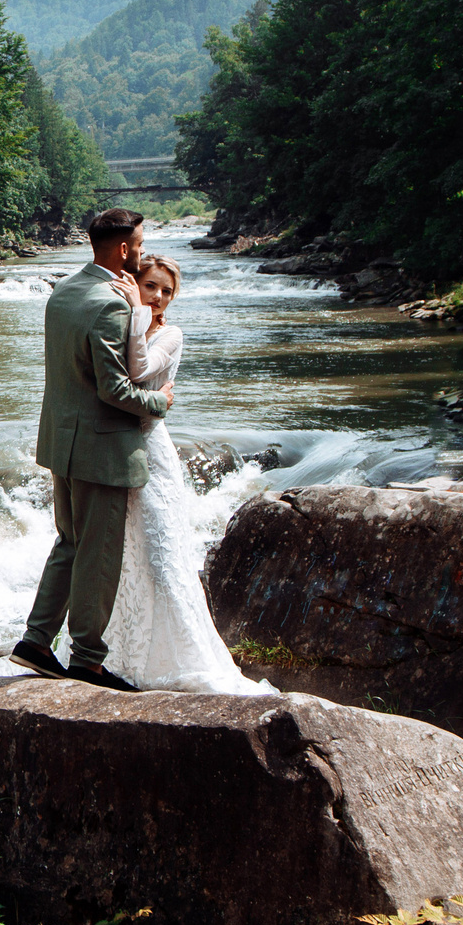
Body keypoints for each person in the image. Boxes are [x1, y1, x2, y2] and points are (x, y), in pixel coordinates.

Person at [7, 208, 171, 691]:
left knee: (70, 543)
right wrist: (157, 402)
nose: (140, 252)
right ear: (123, 249)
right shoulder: (110, 304)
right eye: (138, 245)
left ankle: (36, 643)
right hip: (101, 449)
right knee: (98, 555)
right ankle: (88, 662)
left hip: (62, 441)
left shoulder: (64, 290)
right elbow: (113, 389)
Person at [104, 254, 276, 694]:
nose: (158, 296)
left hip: (152, 451)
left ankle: (179, 658)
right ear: (133, 282)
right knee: (125, 555)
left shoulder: (171, 333)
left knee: (162, 556)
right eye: (151, 286)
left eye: (167, 290)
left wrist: (139, 316)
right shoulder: (118, 321)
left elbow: (138, 371)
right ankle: (116, 655)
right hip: (113, 448)